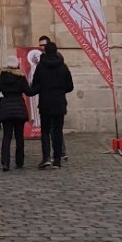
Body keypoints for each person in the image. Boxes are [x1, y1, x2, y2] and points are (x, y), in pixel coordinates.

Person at [30, 40, 73, 168]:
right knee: (58, 132)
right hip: (59, 103)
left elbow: (35, 85)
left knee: (45, 132)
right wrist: (60, 90)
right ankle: (57, 159)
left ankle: (46, 158)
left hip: (45, 103)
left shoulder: (41, 66)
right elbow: (70, 86)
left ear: (45, 51)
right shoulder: (63, 66)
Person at [0, 54, 30, 171]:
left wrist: (1, 102)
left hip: (6, 109)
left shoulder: (2, 77)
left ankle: (5, 163)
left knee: (7, 136)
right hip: (19, 108)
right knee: (19, 137)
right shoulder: (21, 77)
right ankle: (19, 161)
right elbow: (28, 91)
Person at [38, 35, 69, 161]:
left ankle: (56, 154)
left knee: (52, 129)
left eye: (44, 45)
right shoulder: (43, 60)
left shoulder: (54, 60)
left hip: (47, 99)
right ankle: (59, 155)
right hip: (58, 100)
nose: (42, 47)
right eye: (40, 45)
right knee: (55, 129)